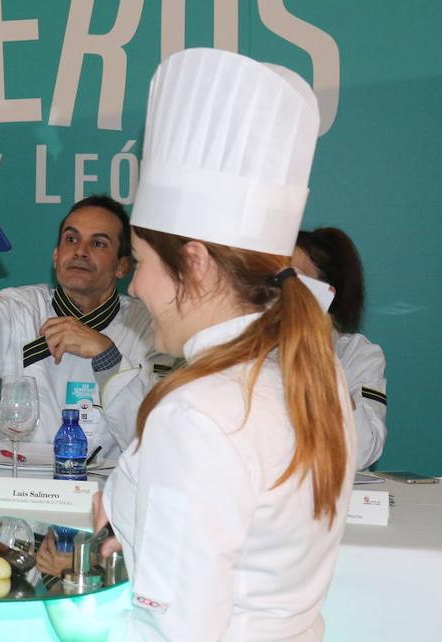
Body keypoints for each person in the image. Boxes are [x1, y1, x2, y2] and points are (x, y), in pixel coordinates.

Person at [98, 48, 354, 639]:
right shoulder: (313, 374)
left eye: (140, 261)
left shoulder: (196, 412)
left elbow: (176, 631)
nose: (135, 286)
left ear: (194, 262)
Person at [0, 196, 158, 460]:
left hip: (103, 484)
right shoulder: (21, 308)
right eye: (71, 239)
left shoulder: (146, 327)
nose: (80, 251)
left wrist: (106, 354)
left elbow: (152, 438)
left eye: (98, 243)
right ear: (56, 256)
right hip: (14, 480)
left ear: (122, 266)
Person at [294, 227, 387, 470]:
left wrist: (318, 355)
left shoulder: (357, 354)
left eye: (293, 278)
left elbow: (361, 452)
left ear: (325, 295)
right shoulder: (245, 349)